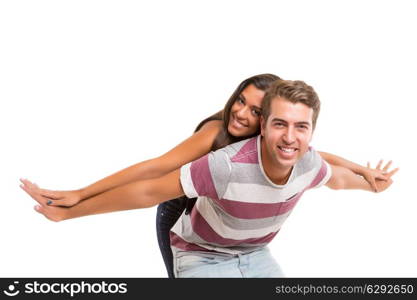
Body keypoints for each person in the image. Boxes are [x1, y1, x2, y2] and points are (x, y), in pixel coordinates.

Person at [20, 79, 398, 278]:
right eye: (242, 102)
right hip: (183, 213)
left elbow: (317, 158)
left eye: (255, 109)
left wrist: (366, 175)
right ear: (267, 125)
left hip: (238, 233)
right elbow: (153, 176)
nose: (242, 114)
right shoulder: (220, 148)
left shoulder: (291, 145)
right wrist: (77, 199)